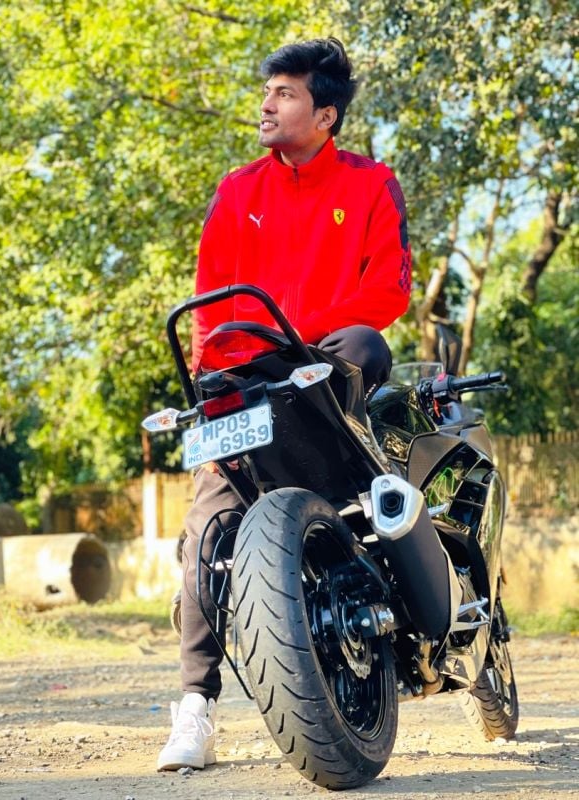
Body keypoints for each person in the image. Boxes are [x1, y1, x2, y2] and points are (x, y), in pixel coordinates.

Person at [157, 36, 412, 772]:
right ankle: (196, 711)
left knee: (366, 344)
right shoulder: (239, 191)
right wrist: (221, 377)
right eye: (267, 91)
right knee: (209, 523)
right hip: (248, 382)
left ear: (325, 114)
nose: (268, 104)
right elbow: (211, 298)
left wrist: (306, 339)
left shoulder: (370, 184)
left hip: (327, 368)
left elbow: (388, 284)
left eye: (286, 94)